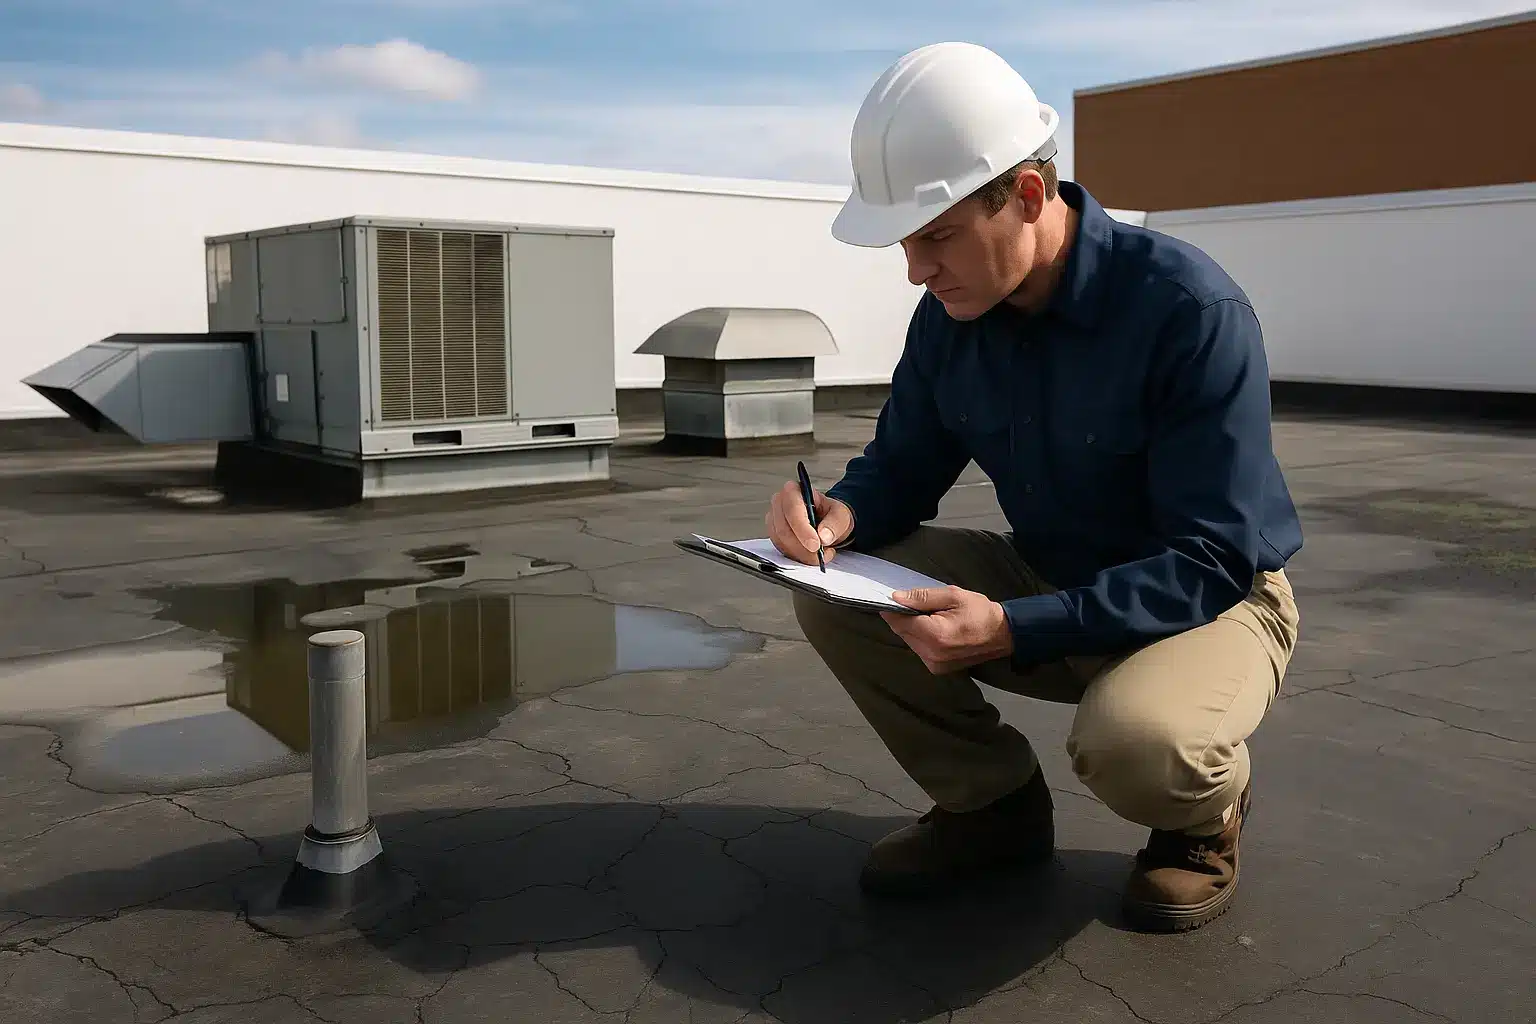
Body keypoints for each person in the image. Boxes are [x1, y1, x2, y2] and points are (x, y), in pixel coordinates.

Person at [764, 42, 1303, 933]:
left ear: (1025, 195)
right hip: (1054, 577)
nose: (916, 270)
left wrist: (1015, 626)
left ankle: (1201, 821)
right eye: (906, 242)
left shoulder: (1188, 313)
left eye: (935, 235)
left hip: (1214, 603)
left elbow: (1212, 557)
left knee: (1135, 742)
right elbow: (903, 463)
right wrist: (839, 514)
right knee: (835, 591)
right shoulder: (952, 315)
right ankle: (993, 811)